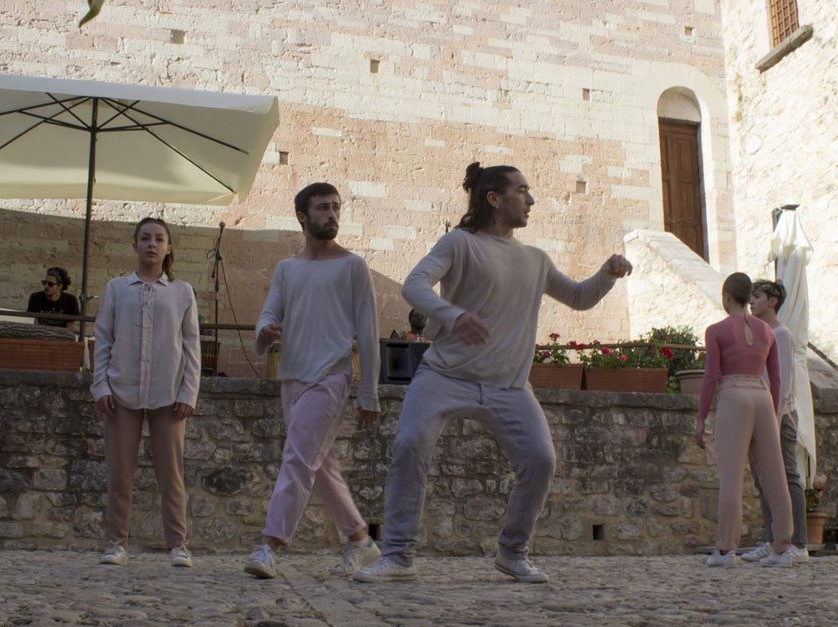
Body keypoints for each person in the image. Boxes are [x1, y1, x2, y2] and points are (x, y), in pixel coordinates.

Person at [354, 162, 633, 585]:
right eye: (522, 190)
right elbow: (414, 285)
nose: (531, 199)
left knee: (540, 459)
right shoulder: (458, 243)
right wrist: (452, 314)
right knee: (410, 444)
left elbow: (578, 298)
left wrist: (607, 275)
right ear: (494, 198)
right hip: (444, 376)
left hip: (509, 386)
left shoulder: (536, 260)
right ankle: (397, 555)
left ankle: (512, 552)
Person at [244, 182, 382, 580]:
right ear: (303, 217)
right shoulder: (288, 269)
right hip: (292, 377)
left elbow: (369, 332)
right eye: (323, 208)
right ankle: (360, 539)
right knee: (320, 466)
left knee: (298, 458)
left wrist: (369, 392)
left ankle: (270, 545)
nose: (332, 214)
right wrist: (266, 330)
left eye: (336, 207)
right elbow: (268, 313)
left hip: (330, 376)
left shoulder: (353, 266)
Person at [91, 218, 201, 568]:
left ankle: (178, 544)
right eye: (145, 238)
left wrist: (189, 392)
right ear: (134, 245)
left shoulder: (182, 292)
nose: (151, 244)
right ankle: (116, 543)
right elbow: (103, 339)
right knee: (119, 471)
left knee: (171, 472)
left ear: (169, 247)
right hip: (121, 392)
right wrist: (101, 385)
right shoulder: (116, 289)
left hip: (168, 395)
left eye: (159, 239)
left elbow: (191, 346)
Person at [694, 272, 793, 568]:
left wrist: (700, 418)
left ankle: (726, 550)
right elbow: (775, 378)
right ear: (747, 295)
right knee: (775, 476)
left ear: (726, 297)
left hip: (733, 394)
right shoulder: (767, 331)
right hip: (762, 397)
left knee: (731, 476)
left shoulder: (716, 330)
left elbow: (711, 377)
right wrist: (774, 415)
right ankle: (783, 546)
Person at [741, 279, 808, 563]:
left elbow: (781, 382)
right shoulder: (760, 335)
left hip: (778, 416)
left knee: (788, 478)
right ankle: (772, 539)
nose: (751, 302)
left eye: (756, 296)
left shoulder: (781, 334)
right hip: (761, 415)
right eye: (750, 297)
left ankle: (798, 543)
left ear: (772, 301)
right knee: (764, 480)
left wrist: (775, 420)